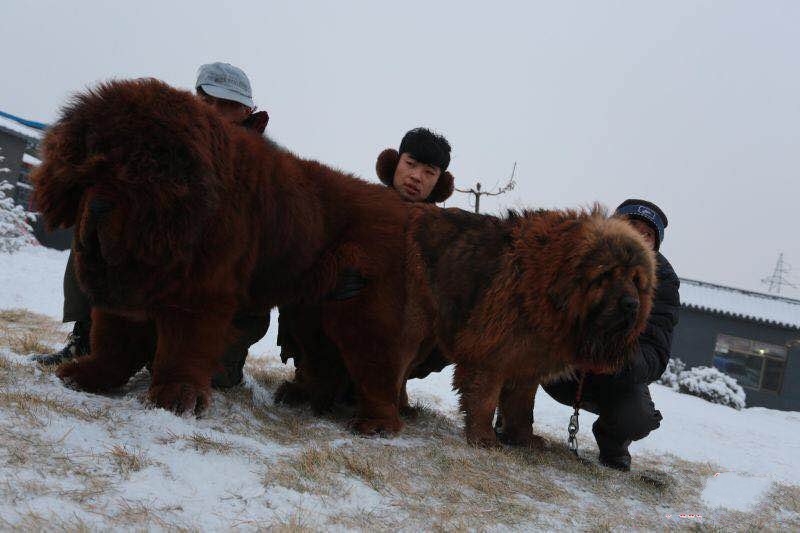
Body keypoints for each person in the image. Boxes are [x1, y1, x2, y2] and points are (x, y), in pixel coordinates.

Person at [34, 62, 270, 389]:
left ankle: (214, 357)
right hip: (161, 277)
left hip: (224, 297)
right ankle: (88, 337)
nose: (215, 111)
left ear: (247, 110)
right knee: (99, 224)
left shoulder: (267, 164)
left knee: (207, 374)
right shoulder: (173, 143)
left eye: (227, 104)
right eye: (207, 100)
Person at [275, 127, 455, 409]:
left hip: (400, 334)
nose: (416, 176)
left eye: (429, 172)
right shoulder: (360, 203)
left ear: (439, 182)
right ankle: (312, 376)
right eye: (410, 164)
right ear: (395, 162)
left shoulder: (444, 233)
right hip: (342, 319)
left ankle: (395, 385)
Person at [527, 199, 680, 471]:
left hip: (615, 376)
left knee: (638, 416)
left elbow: (655, 353)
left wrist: (613, 359)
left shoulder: (664, 282)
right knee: (517, 352)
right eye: (631, 228)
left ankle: (613, 444)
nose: (638, 239)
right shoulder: (579, 255)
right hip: (559, 362)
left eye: (647, 235)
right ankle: (514, 422)